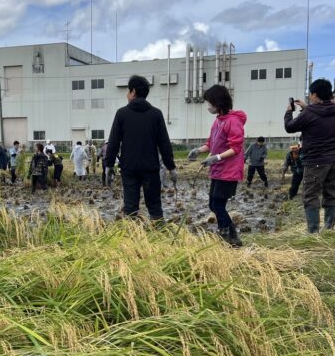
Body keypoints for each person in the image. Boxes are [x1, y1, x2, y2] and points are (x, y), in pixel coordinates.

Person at [104, 74, 176, 221]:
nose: (127, 94)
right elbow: (164, 143)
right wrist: (171, 167)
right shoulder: (156, 114)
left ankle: (132, 239)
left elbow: (113, 142)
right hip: (151, 168)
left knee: (130, 207)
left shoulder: (122, 114)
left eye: (128, 91)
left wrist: (109, 165)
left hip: (129, 168)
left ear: (134, 91)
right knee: (154, 206)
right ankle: (160, 235)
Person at [188, 85, 246, 246]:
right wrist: (198, 150)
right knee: (213, 204)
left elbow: (235, 148)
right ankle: (226, 233)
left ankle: (231, 236)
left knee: (218, 205)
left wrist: (216, 157)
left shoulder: (233, 121)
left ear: (218, 103)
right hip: (218, 170)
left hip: (229, 171)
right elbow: (210, 144)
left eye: (209, 103)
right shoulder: (218, 122)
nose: (208, 107)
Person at [284, 79, 335, 233]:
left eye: (310, 95)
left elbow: (289, 127)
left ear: (315, 94)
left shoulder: (309, 113)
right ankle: (329, 228)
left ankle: (313, 232)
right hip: (334, 159)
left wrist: (289, 111)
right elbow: (318, 115)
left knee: (311, 196)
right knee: (331, 194)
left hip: (316, 160)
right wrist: (306, 107)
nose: (309, 97)